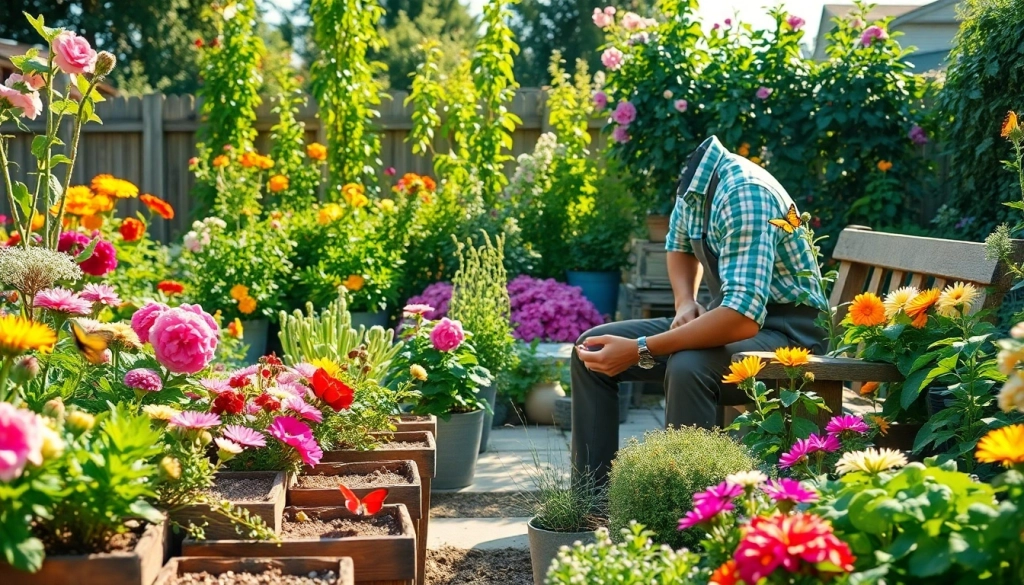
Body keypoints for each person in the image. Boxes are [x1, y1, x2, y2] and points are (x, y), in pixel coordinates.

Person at [571, 135, 829, 487]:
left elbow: (742, 317)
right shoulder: (698, 185)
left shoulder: (744, 194)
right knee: (592, 347)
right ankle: (591, 501)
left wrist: (641, 349)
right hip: (732, 317)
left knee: (689, 366)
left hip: (789, 333)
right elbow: (678, 246)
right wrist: (685, 302)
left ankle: (690, 513)